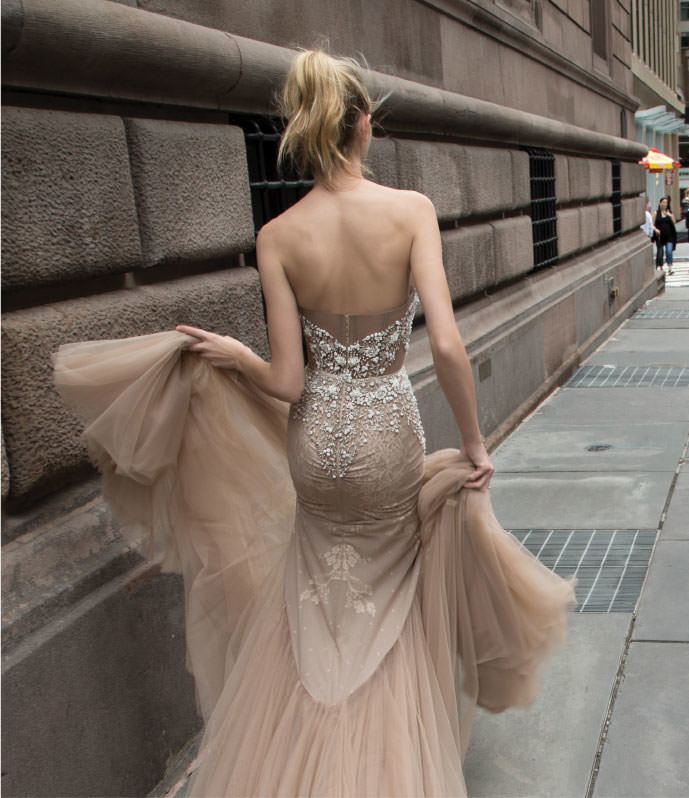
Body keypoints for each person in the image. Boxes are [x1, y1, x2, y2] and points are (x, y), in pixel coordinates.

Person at [53, 49, 574, 797]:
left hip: (316, 444)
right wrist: (473, 442)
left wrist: (237, 355)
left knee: (319, 602)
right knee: (390, 599)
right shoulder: (409, 212)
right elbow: (450, 345)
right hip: (387, 436)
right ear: (365, 123)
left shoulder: (279, 236)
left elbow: (288, 381)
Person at [655, 195, 678, 275]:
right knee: (660, 252)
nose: (664, 204)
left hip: (669, 236)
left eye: (666, 203)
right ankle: (660, 267)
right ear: (660, 203)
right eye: (663, 202)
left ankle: (670, 268)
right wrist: (656, 229)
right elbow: (652, 224)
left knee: (669, 251)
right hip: (660, 237)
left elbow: (674, 222)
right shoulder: (656, 213)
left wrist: (670, 215)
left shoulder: (670, 212)